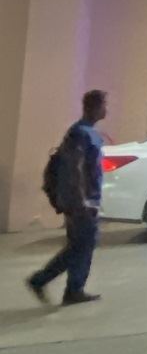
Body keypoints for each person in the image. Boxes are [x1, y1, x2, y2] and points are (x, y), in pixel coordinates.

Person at [26, 90, 107, 306]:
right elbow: (74, 169)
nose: (106, 110)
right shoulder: (80, 133)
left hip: (87, 199)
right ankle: (41, 280)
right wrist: (81, 201)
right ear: (94, 107)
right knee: (82, 245)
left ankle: (74, 290)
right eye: (104, 105)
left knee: (82, 245)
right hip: (80, 201)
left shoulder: (88, 132)